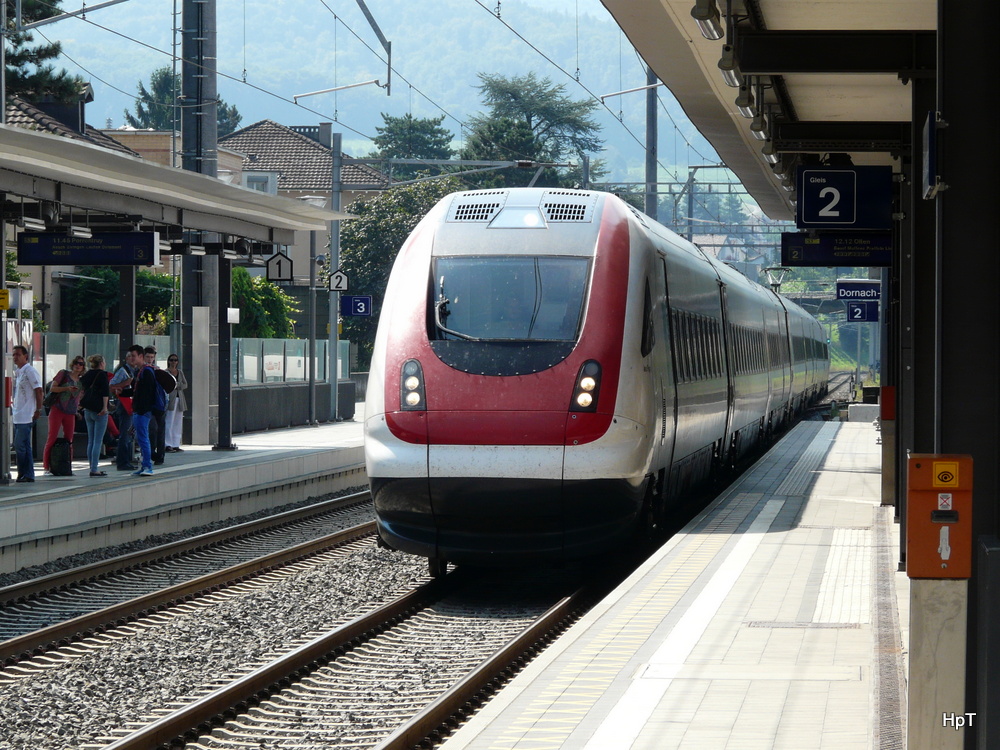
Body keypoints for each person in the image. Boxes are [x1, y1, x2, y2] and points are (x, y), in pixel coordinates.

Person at [43, 355, 84, 475]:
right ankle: (46, 467)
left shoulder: (81, 381)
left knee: (69, 440)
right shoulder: (64, 374)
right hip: (57, 408)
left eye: (81, 364)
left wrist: (76, 411)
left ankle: (67, 466)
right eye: (76, 363)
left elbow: (77, 399)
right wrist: (66, 388)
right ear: (73, 364)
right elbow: (53, 388)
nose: (78, 365)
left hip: (70, 412)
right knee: (52, 437)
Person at [12, 345, 43, 482]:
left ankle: (24, 472)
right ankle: (27, 473)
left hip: (27, 414)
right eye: (14, 355)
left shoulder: (30, 371)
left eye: (18, 354)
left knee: (20, 445)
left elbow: (39, 390)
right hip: (18, 414)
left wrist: (38, 409)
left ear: (25, 356)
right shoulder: (18, 372)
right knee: (24, 445)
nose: (15, 357)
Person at [109, 346, 142, 471]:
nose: (133, 359)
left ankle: (127, 460)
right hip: (124, 406)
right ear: (126, 358)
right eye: (130, 356)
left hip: (131, 406)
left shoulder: (134, 371)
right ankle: (122, 462)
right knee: (125, 435)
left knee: (129, 435)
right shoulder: (123, 371)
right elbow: (111, 386)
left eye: (134, 356)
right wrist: (125, 383)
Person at [79, 354, 110, 477]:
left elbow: (81, 390)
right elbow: (105, 393)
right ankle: (94, 468)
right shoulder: (102, 375)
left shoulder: (87, 375)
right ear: (101, 363)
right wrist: (105, 407)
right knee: (98, 441)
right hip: (99, 410)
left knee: (91, 440)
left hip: (88, 410)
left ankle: (92, 466)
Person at [130, 346, 160, 476]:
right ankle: (144, 465)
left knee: (143, 438)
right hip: (139, 410)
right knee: (141, 438)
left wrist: (142, 409)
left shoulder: (146, 372)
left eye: (133, 356)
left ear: (140, 356)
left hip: (143, 411)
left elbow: (148, 393)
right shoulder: (140, 371)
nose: (131, 358)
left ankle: (148, 466)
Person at [143, 346, 167, 464]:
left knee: (160, 430)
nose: (149, 359)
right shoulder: (143, 370)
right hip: (150, 405)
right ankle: (152, 453)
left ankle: (160, 455)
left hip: (159, 404)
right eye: (147, 357)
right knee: (153, 429)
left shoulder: (157, 370)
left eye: (152, 357)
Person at [165, 353, 187, 452]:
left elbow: (185, 384)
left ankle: (176, 443)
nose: (173, 362)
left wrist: (176, 385)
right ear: (168, 361)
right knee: (169, 421)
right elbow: (166, 385)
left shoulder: (180, 372)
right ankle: (167, 444)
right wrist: (177, 385)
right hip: (171, 399)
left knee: (178, 422)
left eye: (175, 360)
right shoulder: (166, 372)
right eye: (172, 360)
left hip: (180, 399)